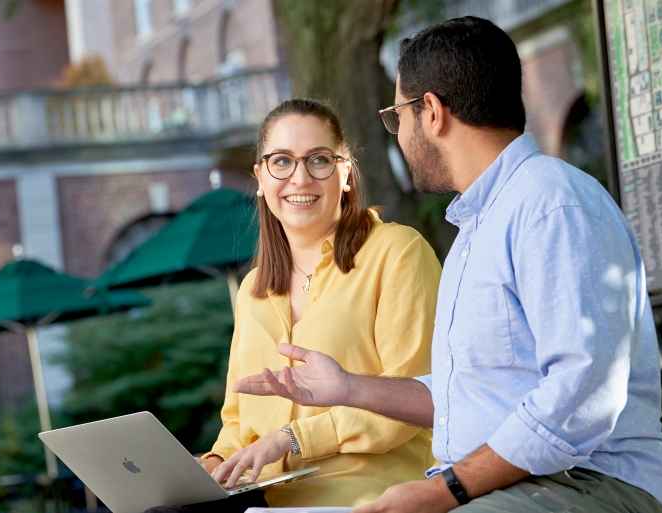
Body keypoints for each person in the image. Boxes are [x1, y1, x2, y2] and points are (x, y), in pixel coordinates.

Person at [234, 16, 662, 513]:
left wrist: (446, 489)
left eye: (396, 116)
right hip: (518, 488)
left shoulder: (551, 203)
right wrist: (350, 387)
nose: (398, 133)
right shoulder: (481, 225)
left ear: (431, 112)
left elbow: (583, 396)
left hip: (588, 485)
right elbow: (464, 396)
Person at [147, 99, 442, 512]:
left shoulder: (397, 253)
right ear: (261, 178)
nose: (299, 178)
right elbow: (237, 422)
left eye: (318, 160)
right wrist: (214, 462)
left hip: (364, 496)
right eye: (282, 162)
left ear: (344, 172)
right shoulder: (253, 291)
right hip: (260, 499)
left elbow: (421, 399)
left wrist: (292, 439)